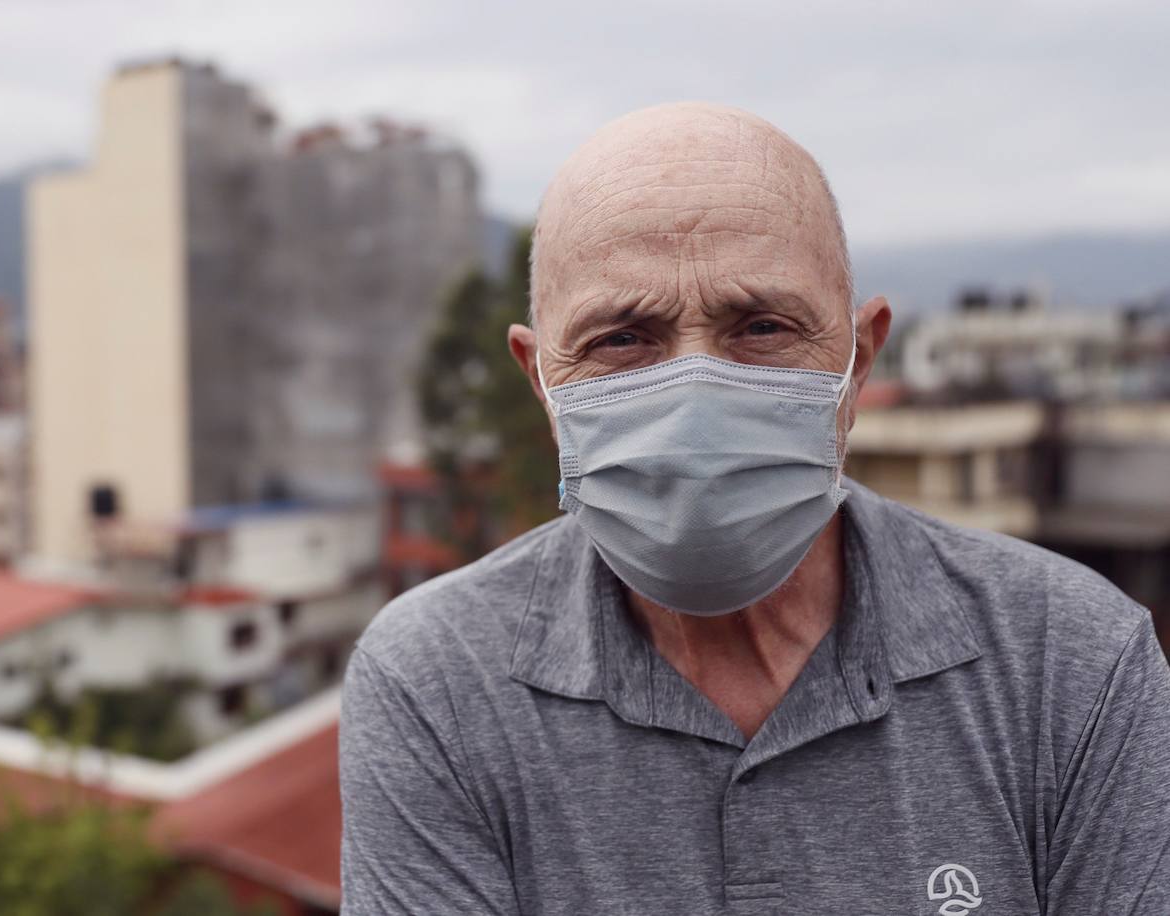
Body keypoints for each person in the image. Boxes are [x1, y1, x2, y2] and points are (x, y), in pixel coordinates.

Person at [338, 102, 1170, 914]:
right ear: (541, 382)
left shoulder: (1071, 662)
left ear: (859, 360)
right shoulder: (438, 683)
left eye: (762, 327)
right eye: (622, 339)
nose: (695, 398)